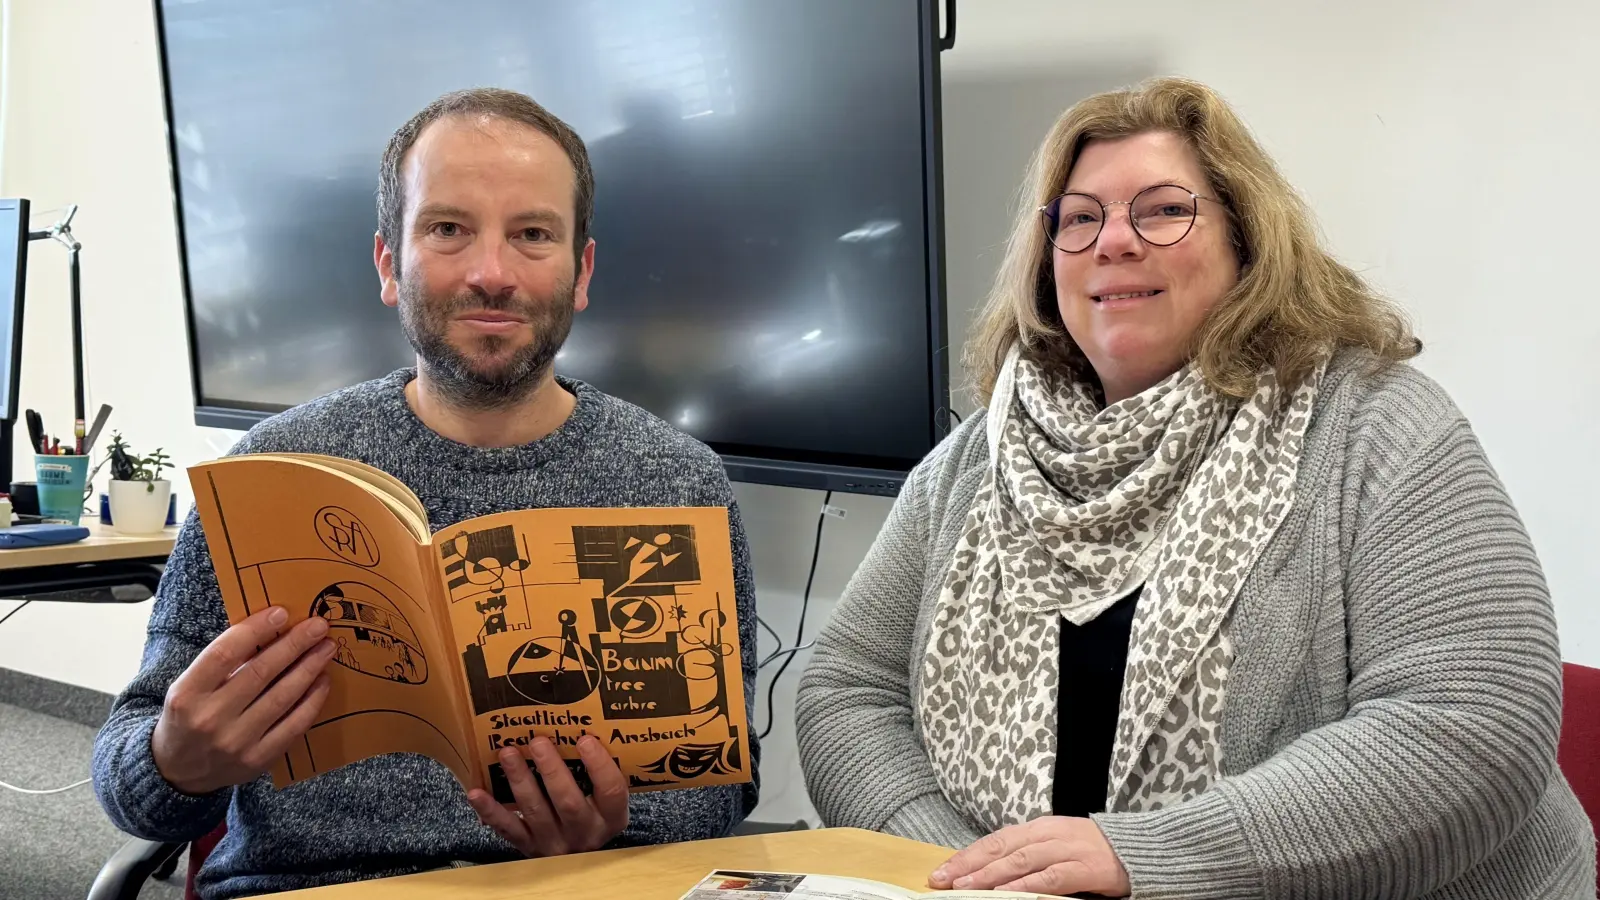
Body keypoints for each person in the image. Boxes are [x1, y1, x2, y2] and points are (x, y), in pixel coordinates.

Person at [796, 77, 1595, 898]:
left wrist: (1145, 858)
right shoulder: (976, 460)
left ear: (1248, 241)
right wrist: (973, 873)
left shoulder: (1376, 428)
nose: (1113, 242)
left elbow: (1470, 722)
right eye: (1080, 219)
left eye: (1163, 210)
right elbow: (848, 687)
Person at [93, 88, 760, 898]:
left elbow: (719, 785)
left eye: (533, 234)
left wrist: (608, 836)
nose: (491, 273)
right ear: (388, 263)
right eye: (448, 229)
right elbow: (129, 772)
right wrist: (175, 760)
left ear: (580, 271)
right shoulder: (267, 475)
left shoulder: (678, 485)